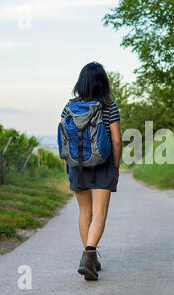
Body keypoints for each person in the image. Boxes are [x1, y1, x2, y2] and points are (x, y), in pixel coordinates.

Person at [60, 62, 122, 280]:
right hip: (102, 165)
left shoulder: (69, 107)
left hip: (77, 165)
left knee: (84, 213)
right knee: (99, 213)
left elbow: (64, 137)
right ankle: (88, 256)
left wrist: (67, 163)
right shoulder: (109, 106)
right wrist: (115, 165)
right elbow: (116, 140)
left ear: (81, 81)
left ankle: (91, 257)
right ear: (103, 82)